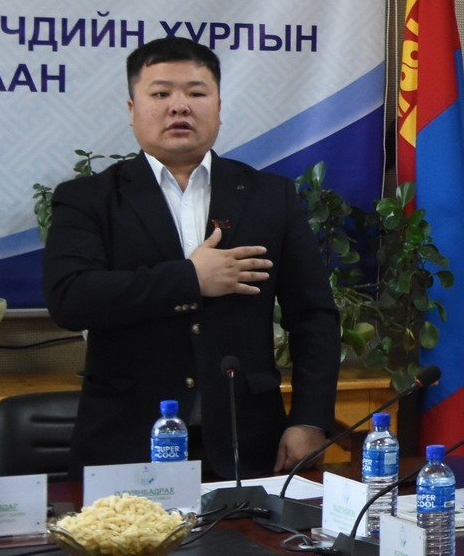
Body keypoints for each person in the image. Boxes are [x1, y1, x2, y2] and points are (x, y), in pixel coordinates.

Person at [43, 38, 338, 475]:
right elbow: (71, 299)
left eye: (196, 93)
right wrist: (190, 279)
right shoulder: (88, 199)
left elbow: (313, 316)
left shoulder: (270, 196)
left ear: (218, 108)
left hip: (246, 442)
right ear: (132, 109)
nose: (179, 106)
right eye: (161, 93)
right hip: (126, 440)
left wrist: (310, 419)